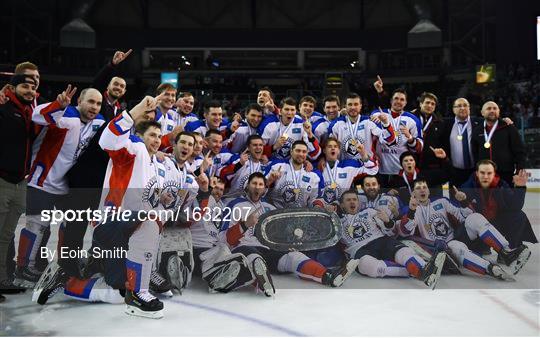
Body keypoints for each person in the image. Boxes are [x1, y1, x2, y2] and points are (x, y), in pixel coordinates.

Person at [14, 86, 105, 288]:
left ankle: (63, 264)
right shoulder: (64, 113)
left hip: (67, 186)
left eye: (98, 103)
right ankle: (23, 268)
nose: (94, 107)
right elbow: (38, 116)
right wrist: (57, 105)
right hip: (43, 181)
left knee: (70, 226)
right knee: (37, 226)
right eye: (90, 102)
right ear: (79, 101)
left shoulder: (98, 123)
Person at [222, 173, 360, 297]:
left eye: (260, 184)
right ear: (247, 186)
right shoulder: (234, 205)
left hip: (269, 248)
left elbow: (281, 234)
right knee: (254, 258)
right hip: (244, 247)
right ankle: (264, 282)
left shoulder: (270, 208)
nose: (257, 187)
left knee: (293, 256)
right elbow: (226, 239)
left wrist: (288, 244)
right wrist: (244, 225)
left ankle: (329, 277)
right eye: (254, 184)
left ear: (265, 189)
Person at [400, 178, 531, 278]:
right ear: (413, 193)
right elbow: (406, 231)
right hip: (441, 248)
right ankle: (491, 269)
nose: (422, 190)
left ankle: (505, 252)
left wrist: (463, 202)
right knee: (457, 248)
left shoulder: (442, 201)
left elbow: (465, 217)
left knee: (475, 217)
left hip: (457, 235)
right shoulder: (410, 210)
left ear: (428, 190)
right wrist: (411, 211)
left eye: (424, 187)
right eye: (418, 188)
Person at [339, 190, 445, 287]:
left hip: (381, 241)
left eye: (354, 199)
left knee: (404, 252)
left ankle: (423, 270)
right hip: (360, 250)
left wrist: (387, 221)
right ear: (342, 205)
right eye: (348, 200)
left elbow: (390, 230)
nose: (352, 202)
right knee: (367, 266)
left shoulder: (369, 212)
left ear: (358, 202)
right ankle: (421, 270)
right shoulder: (338, 222)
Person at [0, 75, 38, 297]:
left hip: (20, 182)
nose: (29, 90)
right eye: (25, 86)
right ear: (12, 88)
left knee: (5, 236)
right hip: (2, 181)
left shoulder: (28, 114)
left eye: (33, 88)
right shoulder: (4, 109)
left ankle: (3, 280)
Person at [461, 160, 538, 248]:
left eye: (489, 173)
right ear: (477, 173)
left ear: (494, 174)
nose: (485, 176)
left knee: (519, 215)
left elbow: (515, 207)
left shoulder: (501, 185)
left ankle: (513, 250)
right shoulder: (467, 187)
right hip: (476, 232)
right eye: (482, 173)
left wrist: (520, 187)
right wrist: (462, 201)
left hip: (495, 225)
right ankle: (479, 247)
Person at [370, 80, 423, 184]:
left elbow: (419, 148)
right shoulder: (377, 114)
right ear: (391, 100)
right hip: (379, 170)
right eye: (396, 98)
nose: (399, 101)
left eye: (402, 99)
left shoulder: (412, 120)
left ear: (406, 103)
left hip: (401, 171)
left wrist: (410, 138)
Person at [470, 101, 526, 185]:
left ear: (499, 111)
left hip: (505, 173)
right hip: (485, 175)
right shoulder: (477, 130)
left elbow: (519, 150)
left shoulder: (508, 127)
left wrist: (519, 170)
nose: (492, 110)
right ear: (482, 113)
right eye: (489, 108)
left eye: (495, 108)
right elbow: (474, 153)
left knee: (507, 198)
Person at [329, 93, 395, 160]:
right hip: (345, 167)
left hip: (366, 167)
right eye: (350, 104)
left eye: (356, 104)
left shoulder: (370, 122)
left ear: (360, 106)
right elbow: (329, 148)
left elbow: (389, 140)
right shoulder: (336, 124)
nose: (353, 107)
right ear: (345, 106)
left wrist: (386, 123)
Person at [314, 137, 378, 206]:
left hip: (343, 208)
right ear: (324, 150)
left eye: (335, 146)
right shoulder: (318, 167)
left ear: (338, 150)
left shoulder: (349, 165)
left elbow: (372, 170)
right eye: (329, 146)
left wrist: (363, 154)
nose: (333, 148)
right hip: (322, 207)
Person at [264, 141, 321, 208]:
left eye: (304, 152)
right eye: (298, 151)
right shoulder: (277, 167)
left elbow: (314, 199)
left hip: (300, 215)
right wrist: (269, 181)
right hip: (277, 214)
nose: (301, 154)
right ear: (291, 152)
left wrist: (317, 205)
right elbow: (261, 191)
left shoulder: (313, 175)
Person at [219, 135, 269, 199]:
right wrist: (239, 164)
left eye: (260, 145)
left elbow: (263, 193)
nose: (258, 147)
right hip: (232, 201)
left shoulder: (264, 168)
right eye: (255, 145)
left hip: (251, 204)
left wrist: (270, 181)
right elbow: (223, 175)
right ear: (248, 147)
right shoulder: (239, 160)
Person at [92, 49, 132, 121]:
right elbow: (97, 81)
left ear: (124, 91)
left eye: (122, 86)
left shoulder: (122, 112)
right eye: (115, 84)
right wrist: (113, 64)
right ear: (108, 86)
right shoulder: (97, 100)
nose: (118, 88)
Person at [411, 92, 445, 170]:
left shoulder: (439, 122)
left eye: (433, 104)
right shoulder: (410, 118)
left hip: (430, 163)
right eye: (427, 102)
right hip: (411, 160)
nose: (430, 105)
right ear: (420, 104)